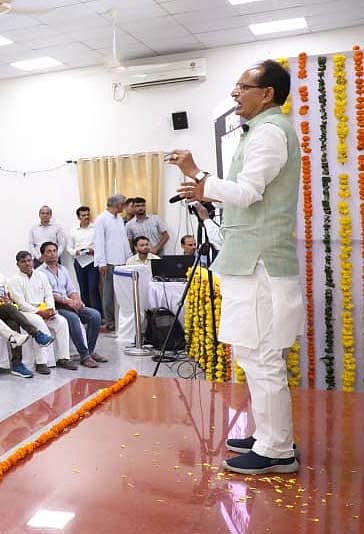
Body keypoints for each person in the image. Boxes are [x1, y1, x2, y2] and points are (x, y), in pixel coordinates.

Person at [169, 59, 302, 475]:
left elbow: (246, 193)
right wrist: (204, 185)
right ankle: (269, 434)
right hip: (252, 262)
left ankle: (277, 449)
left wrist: (197, 175)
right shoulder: (263, 131)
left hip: (260, 264)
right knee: (253, 353)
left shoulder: (269, 133)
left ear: (266, 94)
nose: (234, 93)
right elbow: (246, 197)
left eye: (242, 86)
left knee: (262, 356)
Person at [0, 250, 55, 378]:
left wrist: (7, 299)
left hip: (4, 309)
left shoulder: (0, 277)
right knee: (8, 309)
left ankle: (17, 363)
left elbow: (8, 294)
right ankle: (36, 334)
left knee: (13, 322)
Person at [6, 251, 77, 375]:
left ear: (33, 261)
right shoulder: (13, 280)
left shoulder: (41, 276)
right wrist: (39, 312)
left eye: (29, 260)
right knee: (38, 322)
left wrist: (50, 309)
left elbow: (49, 295)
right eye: (23, 262)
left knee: (62, 322)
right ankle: (41, 363)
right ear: (18, 264)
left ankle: (64, 358)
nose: (27, 264)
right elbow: (21, 303)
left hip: (44, 309)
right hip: (26, 312)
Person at [37, 243, 106, 368]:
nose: (52, 254)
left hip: (69, 303)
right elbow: (48, 294)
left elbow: (72, 289)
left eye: (54, 251)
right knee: (73, 319)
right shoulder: (40, 273)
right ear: (42, 255)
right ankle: (84, 355)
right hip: (55, 306)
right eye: (48, 252)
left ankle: (90, 351)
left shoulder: (63, 269)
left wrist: (77, 301)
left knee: (95, 315)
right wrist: (68, 302)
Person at [94, 194, 130, 331]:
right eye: (123, 204)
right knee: (108, 293)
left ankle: (121, 320)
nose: (124, 207)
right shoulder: (101, 219)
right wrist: (101, 262)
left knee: (121, 292)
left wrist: (129, 257)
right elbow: (99, 241)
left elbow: (124, 240)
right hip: (108, 261)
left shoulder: (119, 219)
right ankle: (110, 321)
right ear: (117, 205)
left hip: (122, 261)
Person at [70, 206, 101, 311]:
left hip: (92, 261)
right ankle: (87, 313)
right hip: (79, 262)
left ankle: (98, 314)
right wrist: (76, 252)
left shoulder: (95, 228)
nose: (86, 217)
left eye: (88, 214)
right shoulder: (73, 231)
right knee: (83, 289)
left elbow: (100, 243)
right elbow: (69, 248)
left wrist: (94, 250)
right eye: (83, 215)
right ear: (79, 217)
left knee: (93, 288)